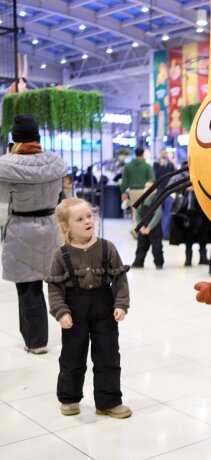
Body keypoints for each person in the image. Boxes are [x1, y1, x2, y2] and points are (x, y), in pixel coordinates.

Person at [45, 198, 132, 418]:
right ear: (66, 226)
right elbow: (55, 287)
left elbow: (120, 279)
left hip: (104, 306)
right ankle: (69, 398)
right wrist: (61, 311)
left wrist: (121, 304)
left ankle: (108, 401)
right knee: (72, 356)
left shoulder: (107, 247)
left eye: (89, 216)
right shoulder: (61, 255)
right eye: (80, 219)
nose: (87, 221)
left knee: (108, 355)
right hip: (74, 309)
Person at [0, 114, 66, 354]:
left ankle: (36, 342)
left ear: (15, 138)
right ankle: (74, 330)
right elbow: (61, 197)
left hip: (21, 229)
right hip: (50, 227)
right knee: (57, 283)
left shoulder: (6, 165)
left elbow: (2, 204)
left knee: (28, 286)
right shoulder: (55, 163)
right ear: (37, 136)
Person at [170, 187, 211, 266]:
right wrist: (185, 189)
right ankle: (188, 259)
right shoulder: (184, 184)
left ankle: (203, 258)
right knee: (188, 237)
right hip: (188, 216)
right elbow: (176, 189)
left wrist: (196, 188)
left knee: (203, 236)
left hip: (202, 214)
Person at [131, 181, 164, 269]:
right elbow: (137, 215)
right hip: (142, 228)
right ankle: (138, 262)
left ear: (155, 190)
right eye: (146, 187)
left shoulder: (156, 200)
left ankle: (159, 263)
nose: (147, 189)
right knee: (141, 246)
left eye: (150, 187)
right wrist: (140, 227)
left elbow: (158, 214)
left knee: (157, 247)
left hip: (154, 228)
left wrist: (149, 227)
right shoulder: (141, 201)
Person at [119, 147, 154, 232]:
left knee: (135, 211)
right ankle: (143, 229)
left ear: (135, 154)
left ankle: (135, 229)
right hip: (145, 191)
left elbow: (125, 181)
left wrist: (123, 192)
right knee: (144, 210)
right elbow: (151, 179)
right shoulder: (147, 166)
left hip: (133, 191)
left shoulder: (128, 166)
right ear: (143, 154)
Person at [153, 149, 175, 239]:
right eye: (162, 153)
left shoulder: (170, 164)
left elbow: (173, 176)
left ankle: (165, 234)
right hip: (159, 190)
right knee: (158, 212)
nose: (164, 154)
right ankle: (159, 233)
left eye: (165, 153)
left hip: (168, 190)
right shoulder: (156, 164)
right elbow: (155, 176)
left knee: (168, 212)